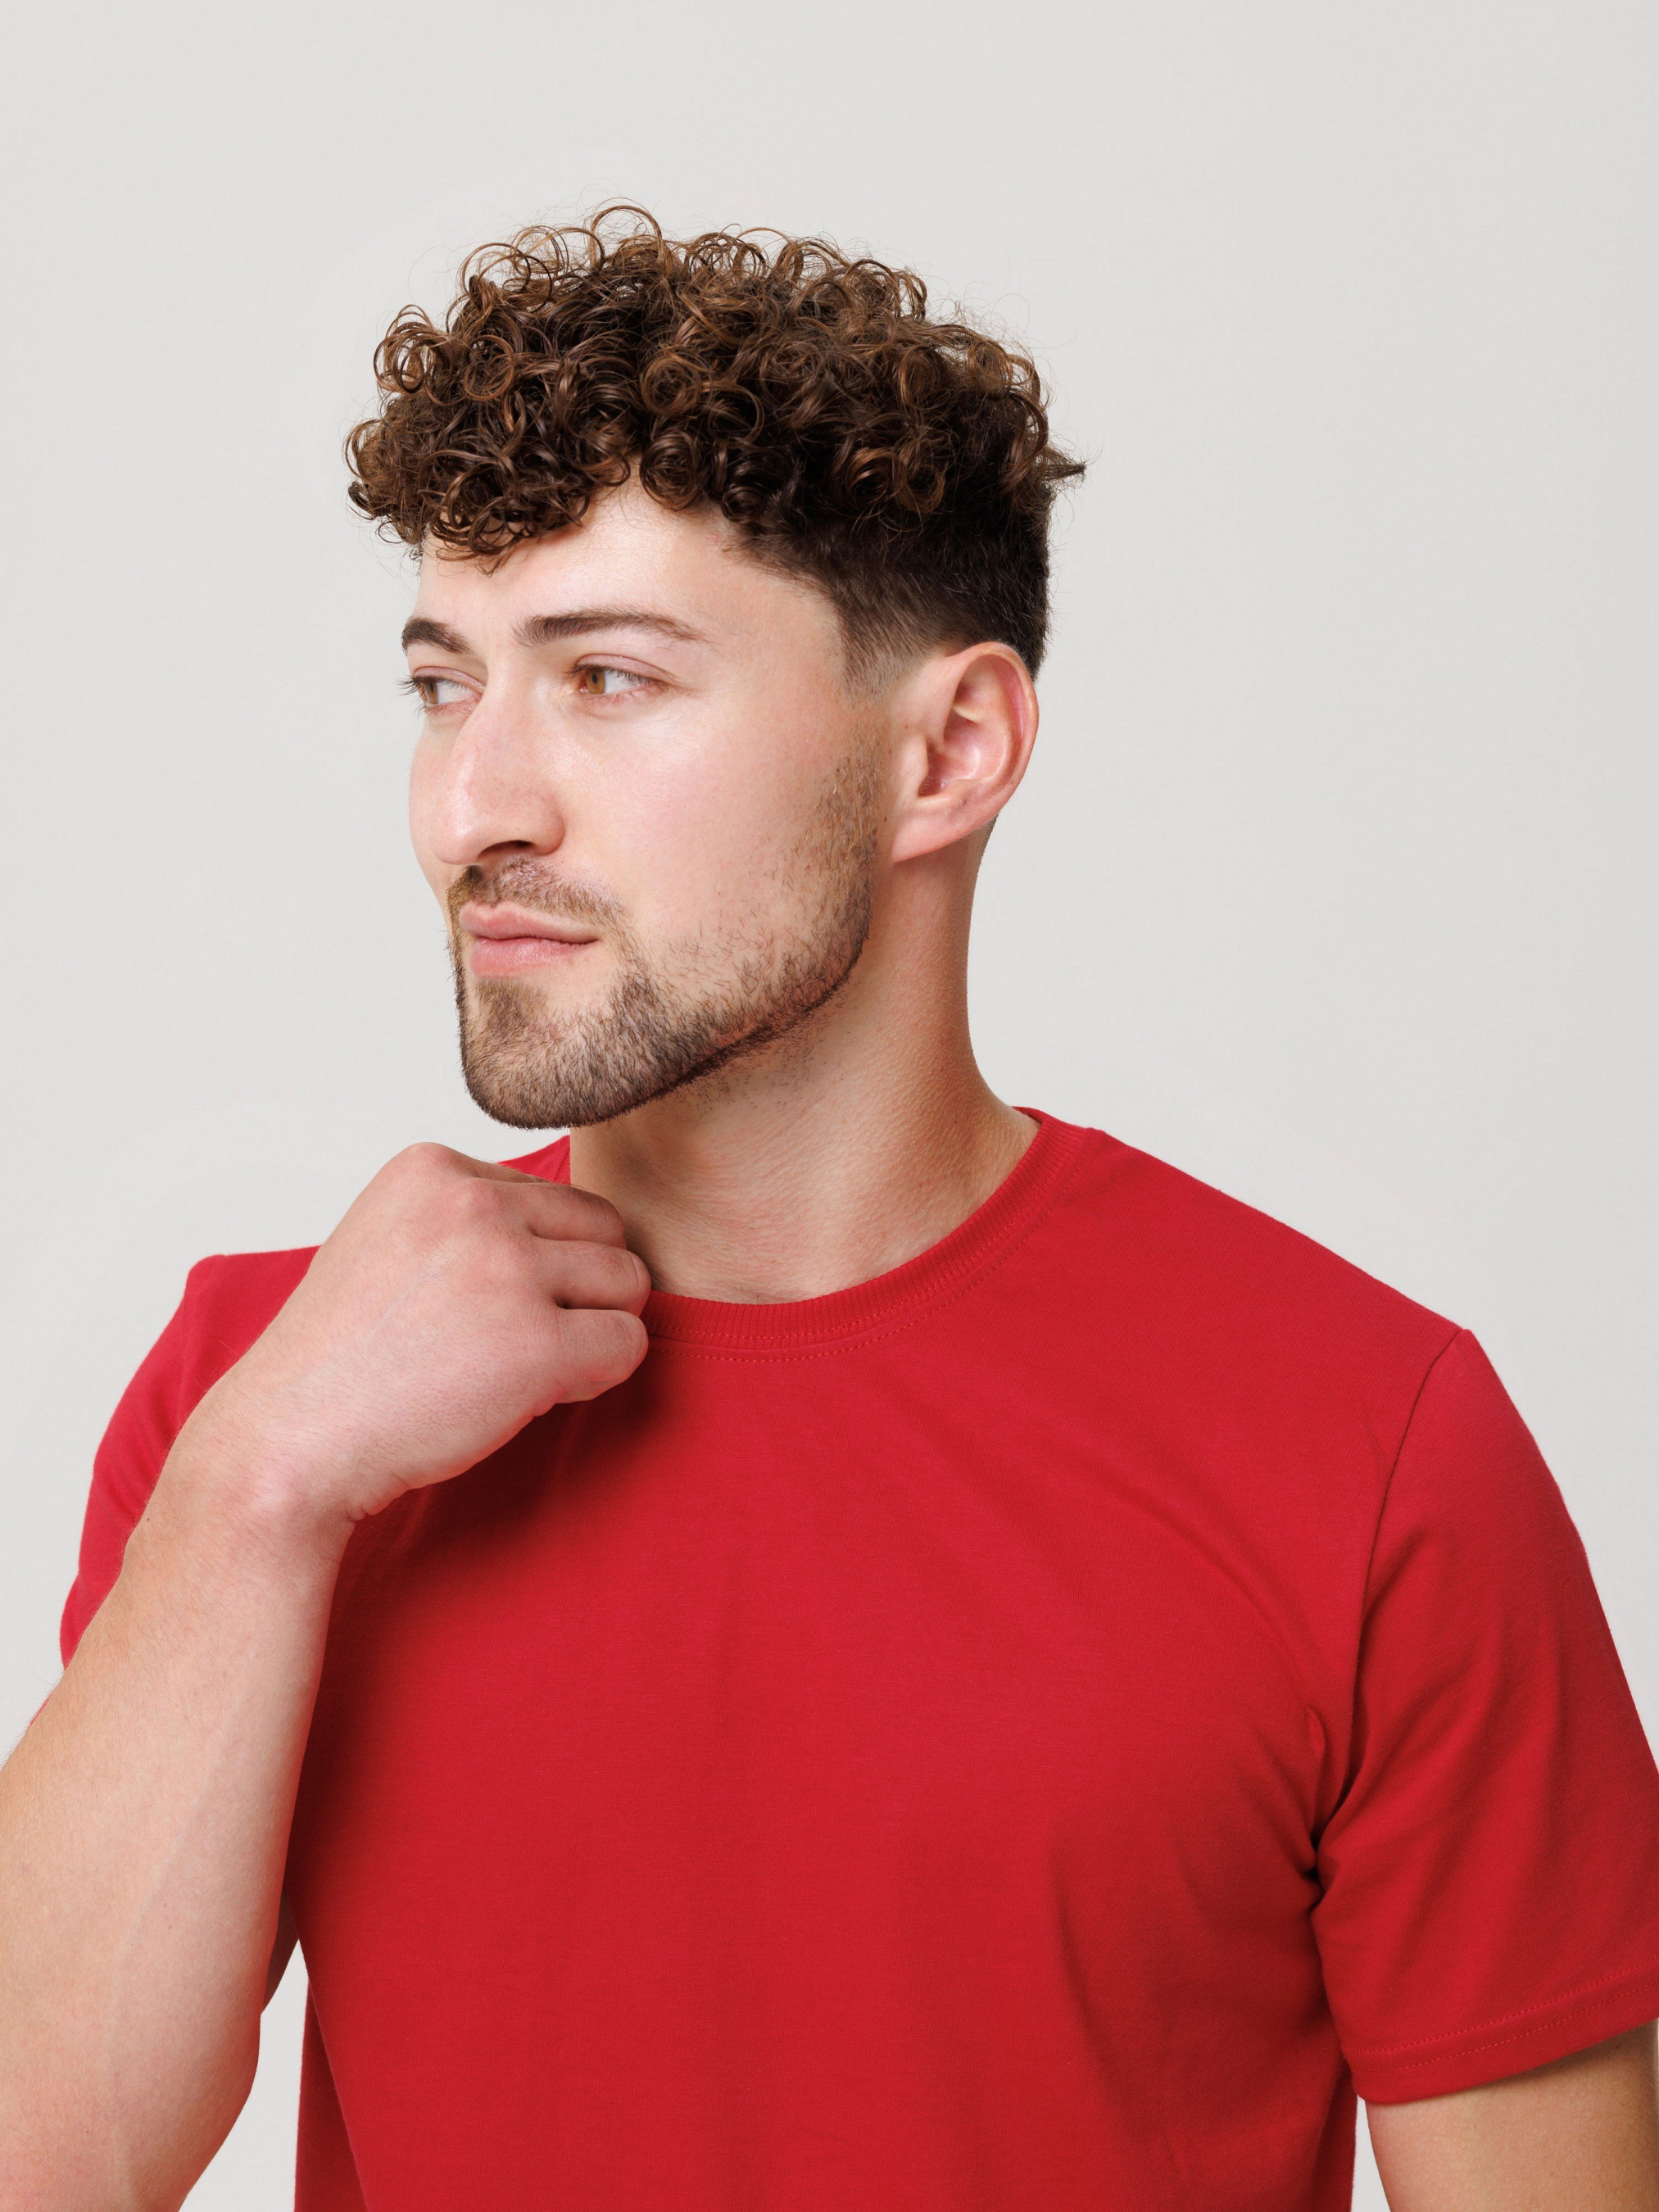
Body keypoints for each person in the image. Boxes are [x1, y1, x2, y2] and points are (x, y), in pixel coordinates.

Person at [2, 207, 1657, 2212]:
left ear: (947, 751)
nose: (472, 808)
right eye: (444, 685)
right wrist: (256, 1488)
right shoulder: (262, 1402)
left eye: (608, 679)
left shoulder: (1367, 1449)